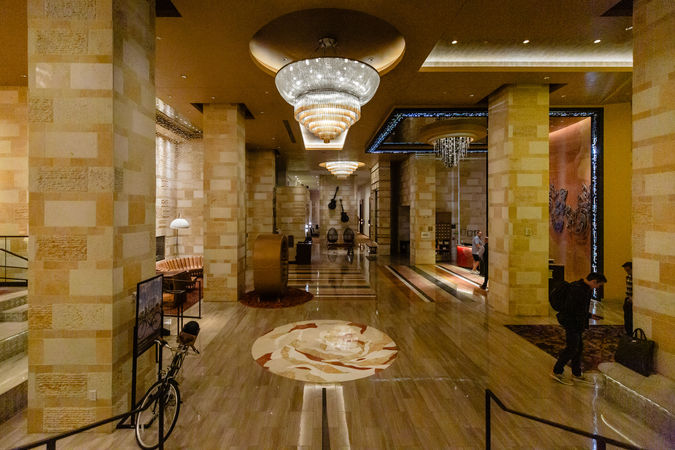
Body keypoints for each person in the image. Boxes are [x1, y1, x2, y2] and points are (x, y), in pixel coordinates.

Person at [551, 272, 607, 386]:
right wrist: (587, 315)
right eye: (599, 285)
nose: (598, 287)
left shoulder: (584, 288)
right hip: (571, 322)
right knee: (572, 348)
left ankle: (576, 373)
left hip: (577, 323)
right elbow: (572, 309)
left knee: (578, 348)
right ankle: (557, 371)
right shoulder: (578, 290)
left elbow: (580, 309)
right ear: (594, 281)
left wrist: (589, 316)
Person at [622, 261, 633, 335]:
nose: (627, 272)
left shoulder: (635, 278)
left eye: (628, 270)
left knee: (630, 317)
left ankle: (630, 332)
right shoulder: (628, 277)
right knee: (626, 316)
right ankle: (628, 331)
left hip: (631, 299)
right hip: (627, 298)